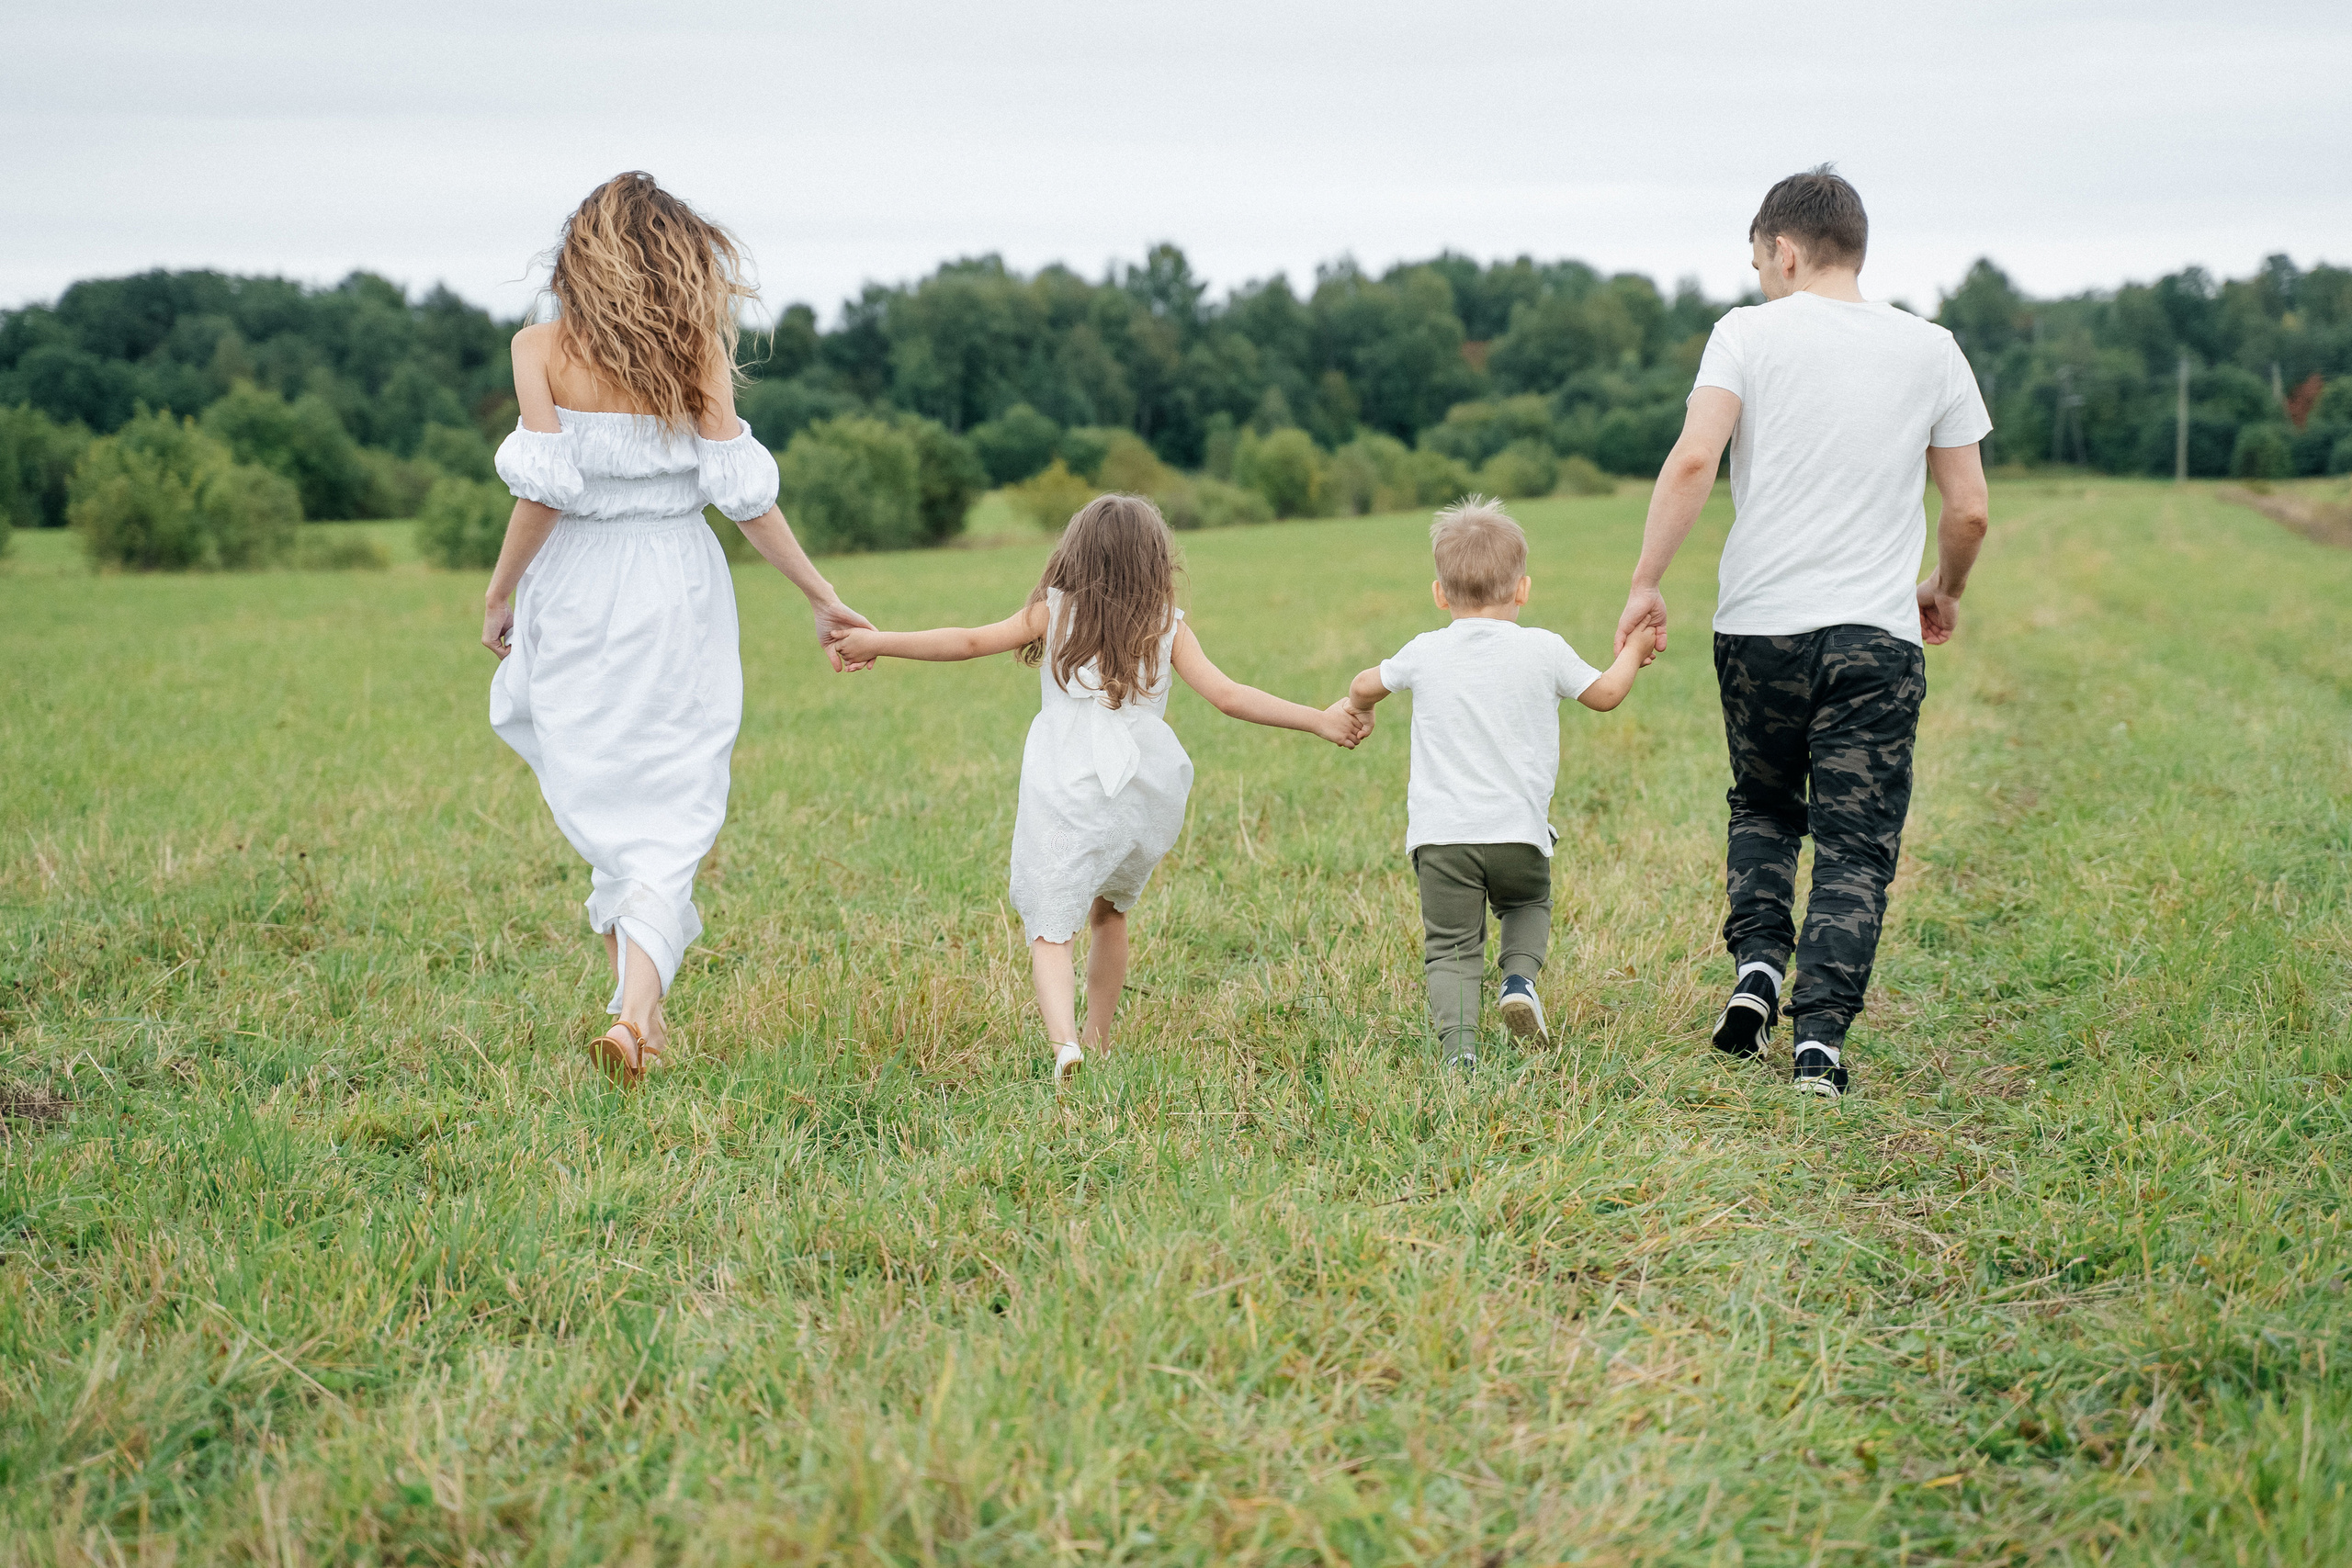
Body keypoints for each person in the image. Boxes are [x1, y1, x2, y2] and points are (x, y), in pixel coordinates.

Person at [482, 171, 874, 1086]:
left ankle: (636, 1017)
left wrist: (501, 592)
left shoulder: (537, 349)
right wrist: (819, 593)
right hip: (676, 586)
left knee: (609, 796)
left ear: (581, 256)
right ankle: (636, 1016)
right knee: (671, 798)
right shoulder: (693, 353)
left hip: (574, 584)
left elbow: (542, 494)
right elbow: (744, 498)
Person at [1614, 165, 1992, 1099]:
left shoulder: (1744, 335)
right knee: (1855, 846)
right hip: (1874, 639)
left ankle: (1756, 970)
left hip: (1758, 632)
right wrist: (1942, 588)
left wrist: (1646, 581)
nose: (1759, 280)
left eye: (1757, 263)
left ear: (1783, 251)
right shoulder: (1933, 349)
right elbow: (1969, 509)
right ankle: (1818, 1043)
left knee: (1765, 807)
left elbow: (1694, 459)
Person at [826, 494, 1368, 1084]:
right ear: (1154, 562)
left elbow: (968, 642)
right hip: (1138, 792)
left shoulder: (1054, 613)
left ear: (1075, 555)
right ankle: (1099, 1039)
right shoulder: (1166, 626)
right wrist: (1318, 719)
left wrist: (878, 641)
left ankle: (1065, 1045)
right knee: (1109, 914)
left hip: (1068, 787)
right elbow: (1229, 696)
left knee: (1050, 923)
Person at [1342, 498, 1654, 1071]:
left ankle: (1460, 1052)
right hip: (1518, 833)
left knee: (1452, 948)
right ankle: (1518, 979)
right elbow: (1607, 694)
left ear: (1440, 594)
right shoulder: (1545, 647)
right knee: (1529, 902)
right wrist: (1634, 649)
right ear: (1523, 589)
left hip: (1442, 839)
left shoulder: (1424, 650)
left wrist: (1360, 707)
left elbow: (1365, 683)